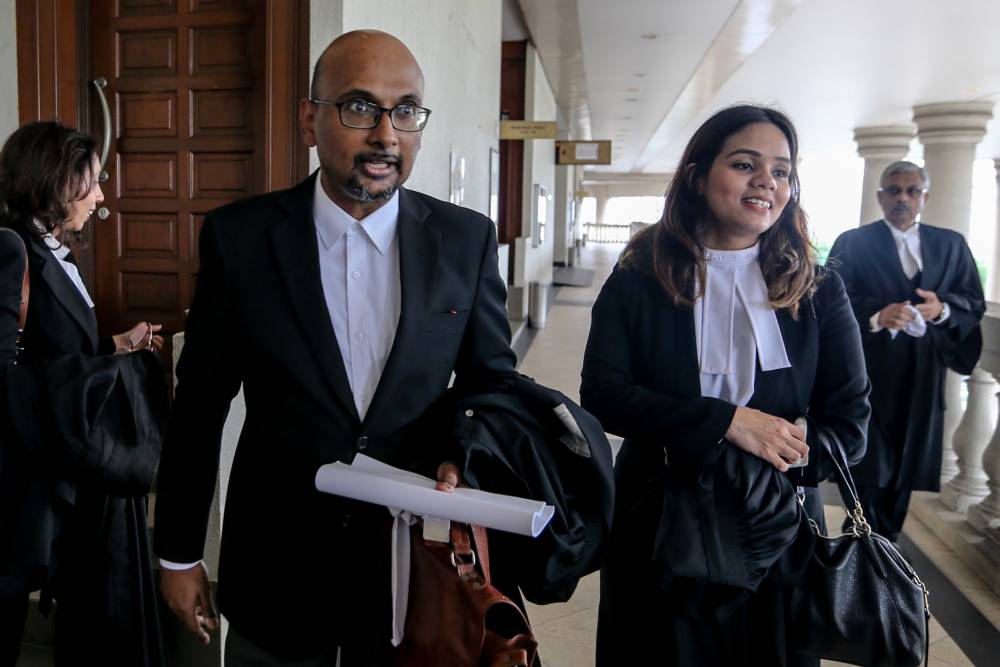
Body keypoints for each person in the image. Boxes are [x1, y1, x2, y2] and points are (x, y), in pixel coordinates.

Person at [153, 30, 517, 665]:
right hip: (276, 564)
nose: (386, 135)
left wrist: (460, 449)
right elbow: (200, 405)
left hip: (411, 568)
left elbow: (491, 381)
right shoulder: (242, 240)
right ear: (308, 120)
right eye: (359, 107)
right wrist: (179, 553)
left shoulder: (465, 240)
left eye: (405, 111)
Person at [580, 105, 870, 666]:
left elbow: (850, 426)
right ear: (697, 176)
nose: (767, 181)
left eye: (782, 171)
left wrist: (784, 452)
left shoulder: (819, 290)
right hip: (658, 520)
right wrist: (729, 422)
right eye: (745, 164)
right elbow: (604, 394)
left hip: (778, 528)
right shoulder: (640, 276)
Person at [0, 121, 165, 666]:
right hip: (17, 481)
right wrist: (96, 375)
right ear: (53, 181)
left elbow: (53, 344)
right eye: (90, 182)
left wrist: (112, 348)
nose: (100, 196)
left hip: (56, 469)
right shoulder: (10, 251)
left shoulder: (56, 252)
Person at [828, 161, 985, 541]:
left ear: (925, 197)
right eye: (894, 190)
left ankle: (888, 541)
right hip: (868, 367)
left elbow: (971, 300)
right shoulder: (853, 241)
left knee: (908, 458)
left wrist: (942, 308)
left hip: (923, 372)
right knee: (867, 455)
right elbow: (830, 294)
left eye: (912, 191)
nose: (902, 198)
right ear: (880, 196)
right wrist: (876, 314)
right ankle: (860, 535)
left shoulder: (951, 245)